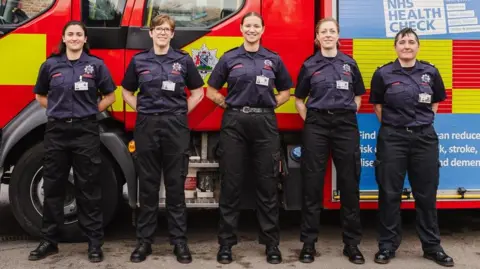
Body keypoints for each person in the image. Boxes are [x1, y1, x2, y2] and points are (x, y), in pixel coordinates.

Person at [206, 11, 293, 265]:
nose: (252, 30)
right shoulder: (230, 58)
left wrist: (267, 105)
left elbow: (286, 91)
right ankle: (226, 245)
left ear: (263, 30)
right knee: (231, 185)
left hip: (265, 124)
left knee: (267, 186)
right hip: (234, 123)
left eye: (256, 26)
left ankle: (271, 244)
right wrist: (227, 104)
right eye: (248, 26)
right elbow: (211, 89)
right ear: (241, 29)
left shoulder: (273, 59)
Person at [28, 20, 116, 263]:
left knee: (88, 188)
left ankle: (94, 243)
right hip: (56, 131)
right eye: (71, 34)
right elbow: (40, 95)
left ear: (85, 39)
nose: (75, 38)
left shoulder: (96, 65)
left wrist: (90, 110)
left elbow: (110, 95)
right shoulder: (50, 65)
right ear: (64, 38)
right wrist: (57, 110)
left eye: (79, 34)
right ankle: (49, 241)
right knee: (53, 187)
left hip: (85, 131)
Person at [121, 14, 205, 264]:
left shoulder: (182, 61)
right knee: (147, 188)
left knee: (175, 188)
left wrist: (179, 113)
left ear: (172, 34)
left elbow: (199, 92)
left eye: (167, 29)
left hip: (175, 127)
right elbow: (126, 91)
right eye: (158, 29)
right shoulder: (139, 61)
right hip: (146, 126)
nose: (162, 33)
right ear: (151, 33)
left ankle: (179, 242)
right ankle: (144, 242)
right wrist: (144, 110)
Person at [369, 27, 454, 267]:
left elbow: (436, 102)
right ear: (395, 46)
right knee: (389, 194)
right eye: (402, 42)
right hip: (392, 138)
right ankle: (386, 246)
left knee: (426, 195)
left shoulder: (430, 71)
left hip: (424, 139)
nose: (407, 46)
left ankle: (432, 247)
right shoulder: (383, 73)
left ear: (418, 46)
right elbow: (377, 106)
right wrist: (396, 127)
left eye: (411, 42)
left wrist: (420, 124)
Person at [294, 17, 365, 265]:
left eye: (331, 31)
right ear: (317, 37)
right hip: (317, 125)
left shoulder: (349, 64)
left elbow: (358, 96)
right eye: (323, 31)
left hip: (345, 125)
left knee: (349, 184)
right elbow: (299, 99)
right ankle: (308, 244)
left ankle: (352, 245)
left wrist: (347, 114)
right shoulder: (309, 65)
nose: (327, 35)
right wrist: (311, 121)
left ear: (338, 35)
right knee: (312, 185)